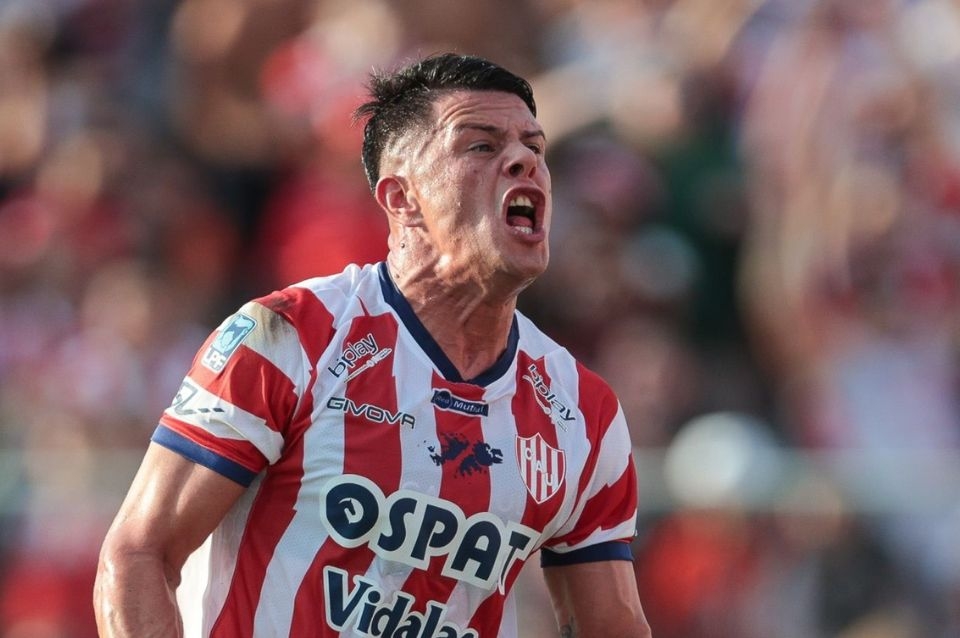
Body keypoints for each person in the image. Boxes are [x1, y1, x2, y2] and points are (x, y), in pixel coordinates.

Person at [94, 52, 652, 638]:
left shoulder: (583, 413)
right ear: (401, 198)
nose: (524, 161)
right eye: (481, 146)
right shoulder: (289, 338)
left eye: (534, 147)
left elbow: (612, 626)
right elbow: (137, 555)